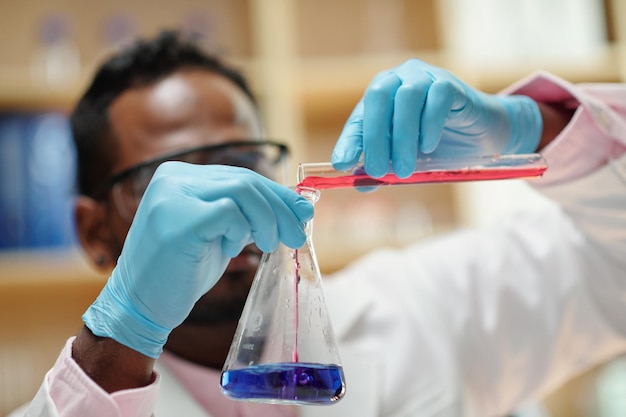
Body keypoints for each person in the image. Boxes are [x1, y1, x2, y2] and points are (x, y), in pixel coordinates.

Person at [9, 30, 626, 417]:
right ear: (93, 231)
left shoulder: (422, 307)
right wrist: (120, 336)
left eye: (244, 162)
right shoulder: (71, 399)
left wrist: (535, 127)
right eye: (176, 181)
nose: (227, 200)